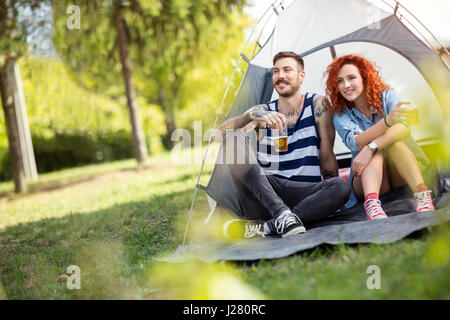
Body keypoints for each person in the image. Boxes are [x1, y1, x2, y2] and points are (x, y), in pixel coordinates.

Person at [217, 51, 351, 238]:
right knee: (232, 138)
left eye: (287, 70)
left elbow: (327, 155)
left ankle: (269, 227)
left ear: (301, 76)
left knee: (340, 187)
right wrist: (249, 115)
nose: (280, 76)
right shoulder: (262, 111)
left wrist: (333, 201)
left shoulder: (318, 104)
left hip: (304, 194)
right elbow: (219, 132)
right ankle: (282, 215)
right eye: (276, 71)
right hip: (266, 194)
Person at [324, 54, 435, 220]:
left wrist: (372, 146)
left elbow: (404, 128)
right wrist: (388, 122)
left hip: (399, 173)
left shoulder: (388, 97)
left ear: (364, 77)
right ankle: (372, 206)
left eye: (351, 78)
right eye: (339, 81)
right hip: (369, 180)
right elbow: (355, 143)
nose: (346, 85)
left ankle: (422, 195)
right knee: (374, 155)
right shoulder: (340, 113)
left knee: (396, 145)